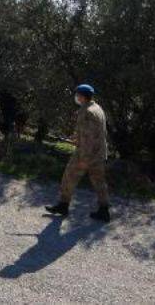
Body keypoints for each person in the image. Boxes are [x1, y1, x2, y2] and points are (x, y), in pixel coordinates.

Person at [46, 84, 111, 222]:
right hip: (99, 152)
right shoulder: (97, 108)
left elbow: (88, 136)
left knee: (69, 176)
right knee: (99, 182)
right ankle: (104, 211)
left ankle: (63, 205)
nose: (76, 97)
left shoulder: (86, 111)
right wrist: (75, 138)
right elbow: (95, 132)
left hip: (86, 153)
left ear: (81, 96)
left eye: (77, 95)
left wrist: (83, 157)